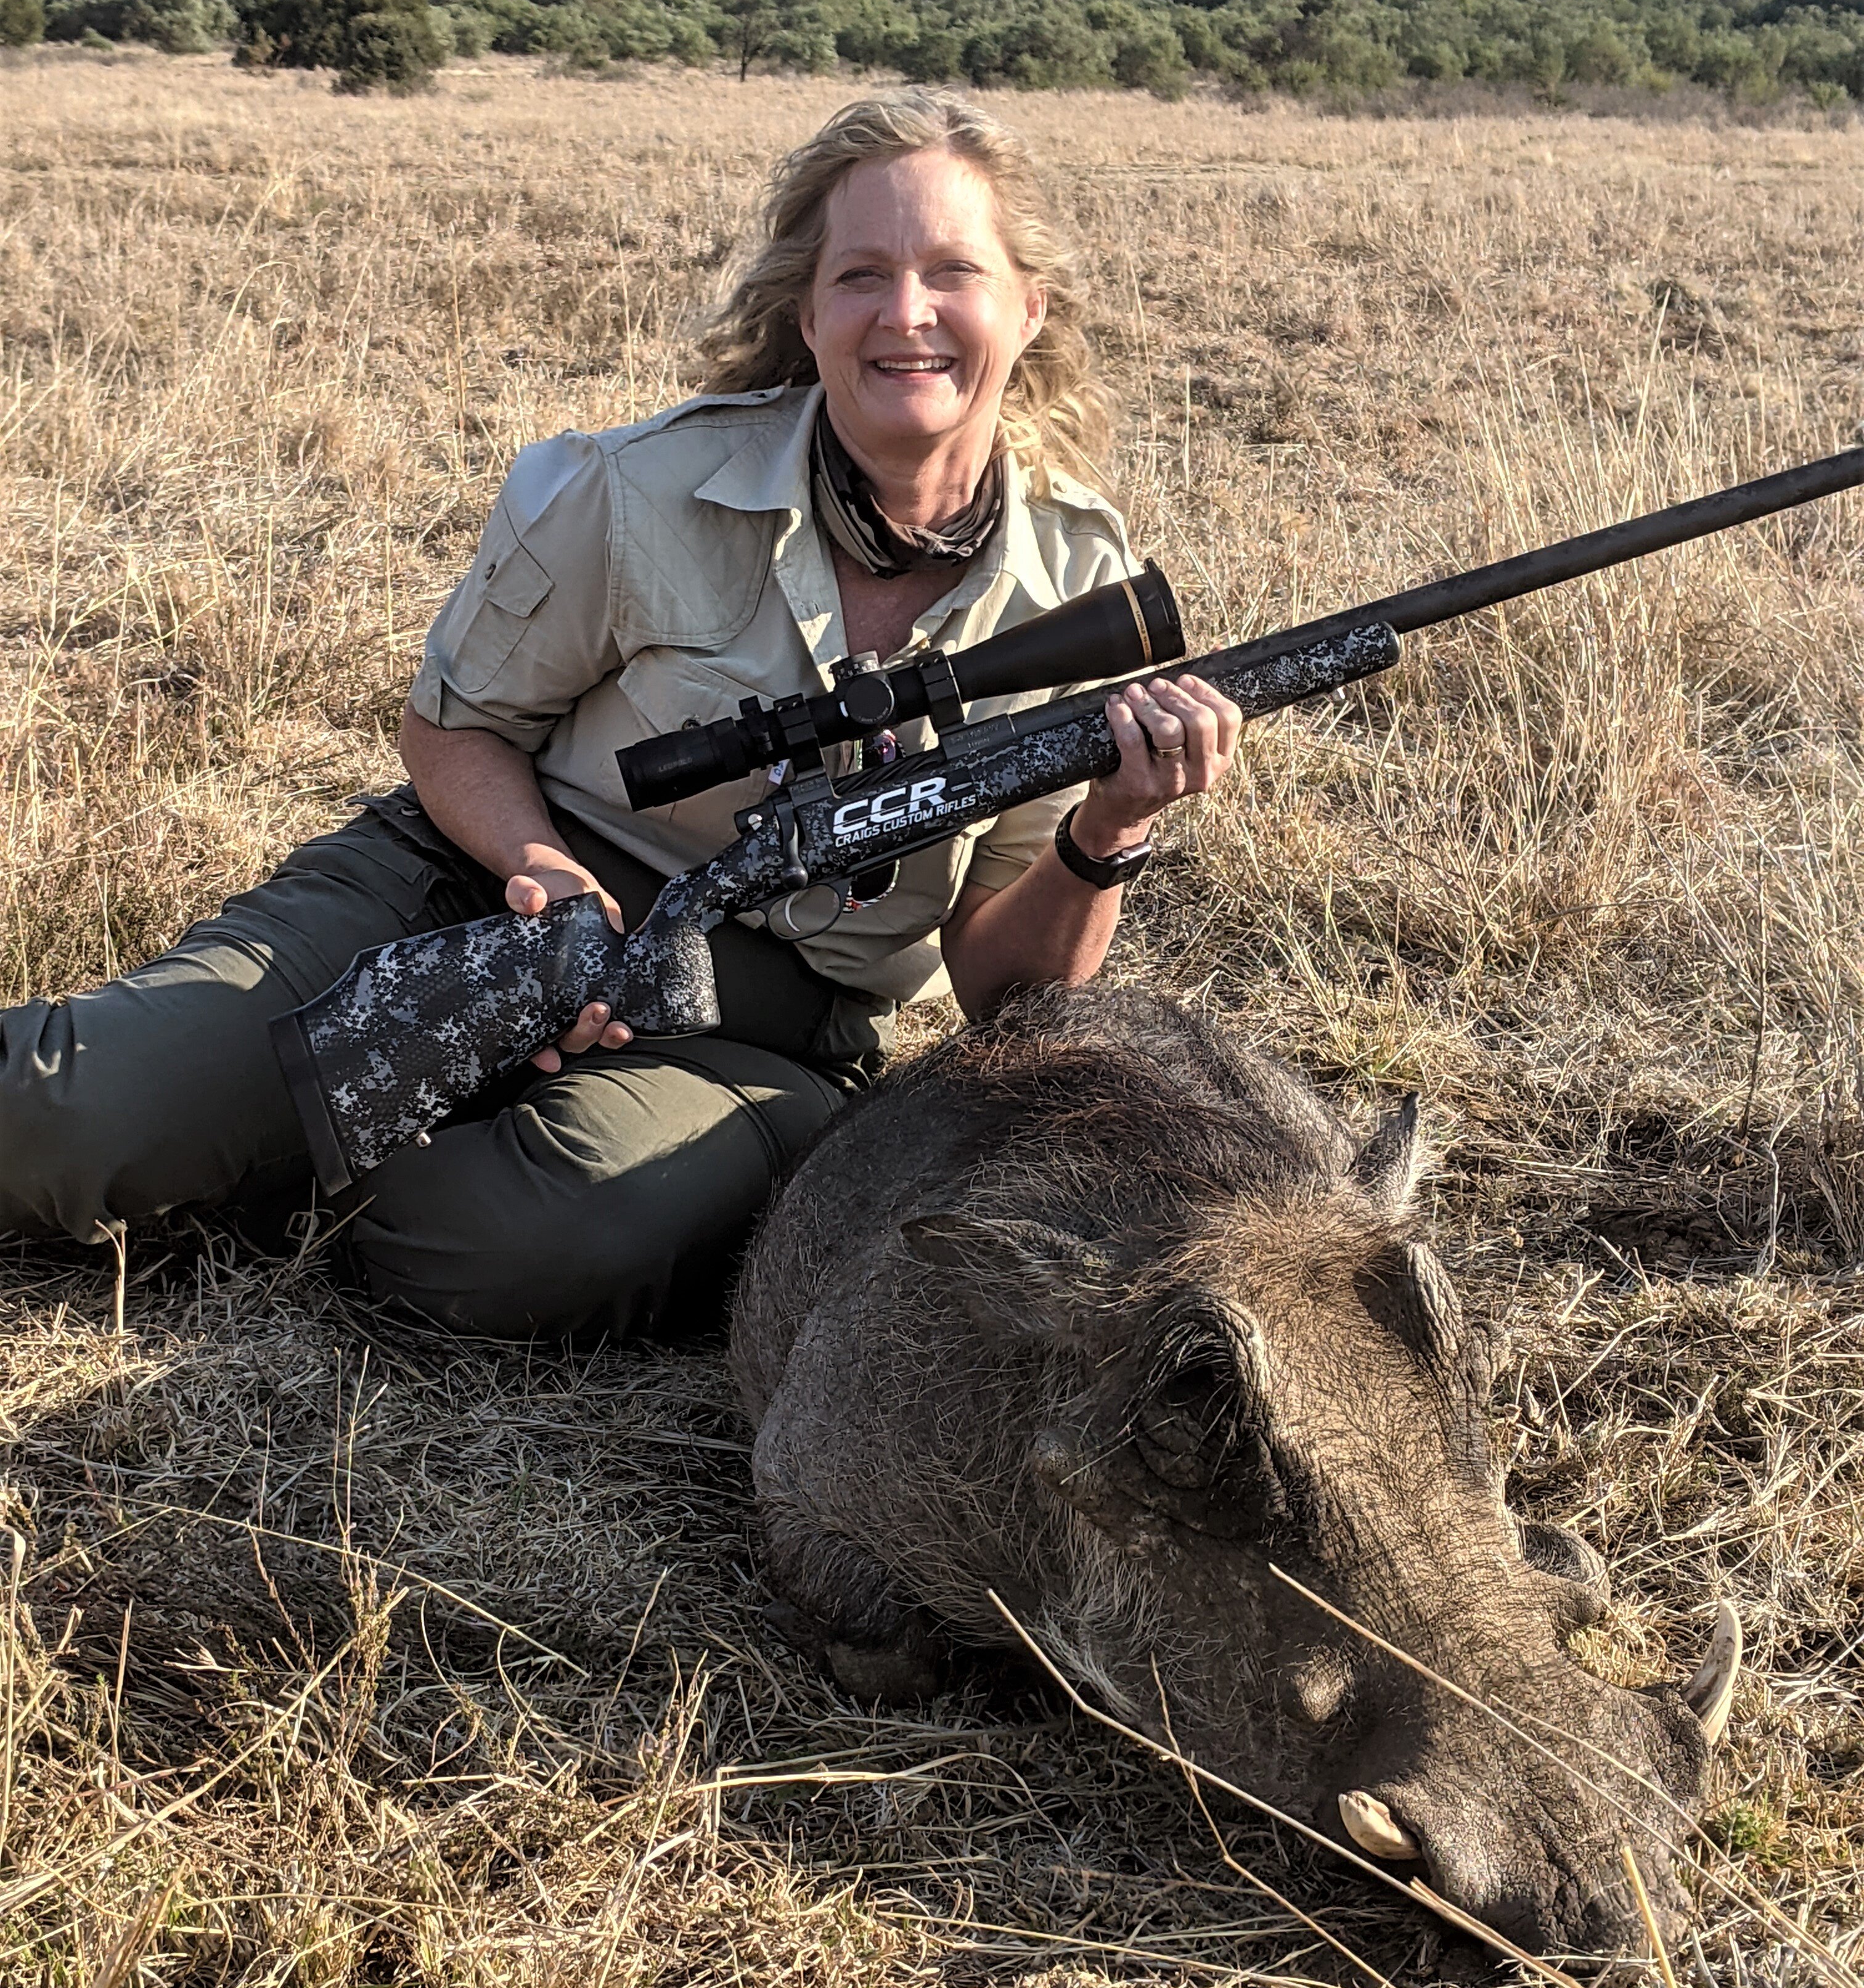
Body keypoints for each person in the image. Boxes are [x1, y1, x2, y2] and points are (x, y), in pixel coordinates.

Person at [0, 90, 1240, 1336]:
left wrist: (1110, 830)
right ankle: (250, 1127)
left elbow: (1001, 988)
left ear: (1026, 308)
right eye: (863, 274)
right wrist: (540, 873)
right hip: (484, 887)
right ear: (807, 313)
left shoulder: (1083, 587)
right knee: (83, 1115)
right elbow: (456, 726)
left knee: (510, 1248)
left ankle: (310, 1151)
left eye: (951, 273)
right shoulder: (644, 488)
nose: (906, 315)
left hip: (767, 1028)